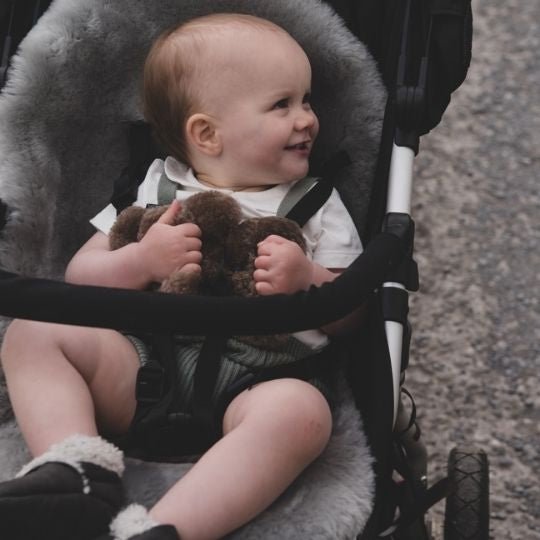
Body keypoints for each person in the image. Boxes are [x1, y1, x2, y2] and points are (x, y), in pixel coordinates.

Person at [0, 13, 363, 540]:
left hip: (252, 385)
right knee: (32, 332)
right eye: (283, 104)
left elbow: (354, 316)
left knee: (304, 414)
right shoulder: (155, 189)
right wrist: (141, 262)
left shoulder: (315, 206)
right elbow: (81, 275)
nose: (307, 119)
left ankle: (161, 530)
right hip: (142, 367)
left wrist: (308, 278)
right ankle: (78, 469)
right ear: (206, 134)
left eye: (307, 101)